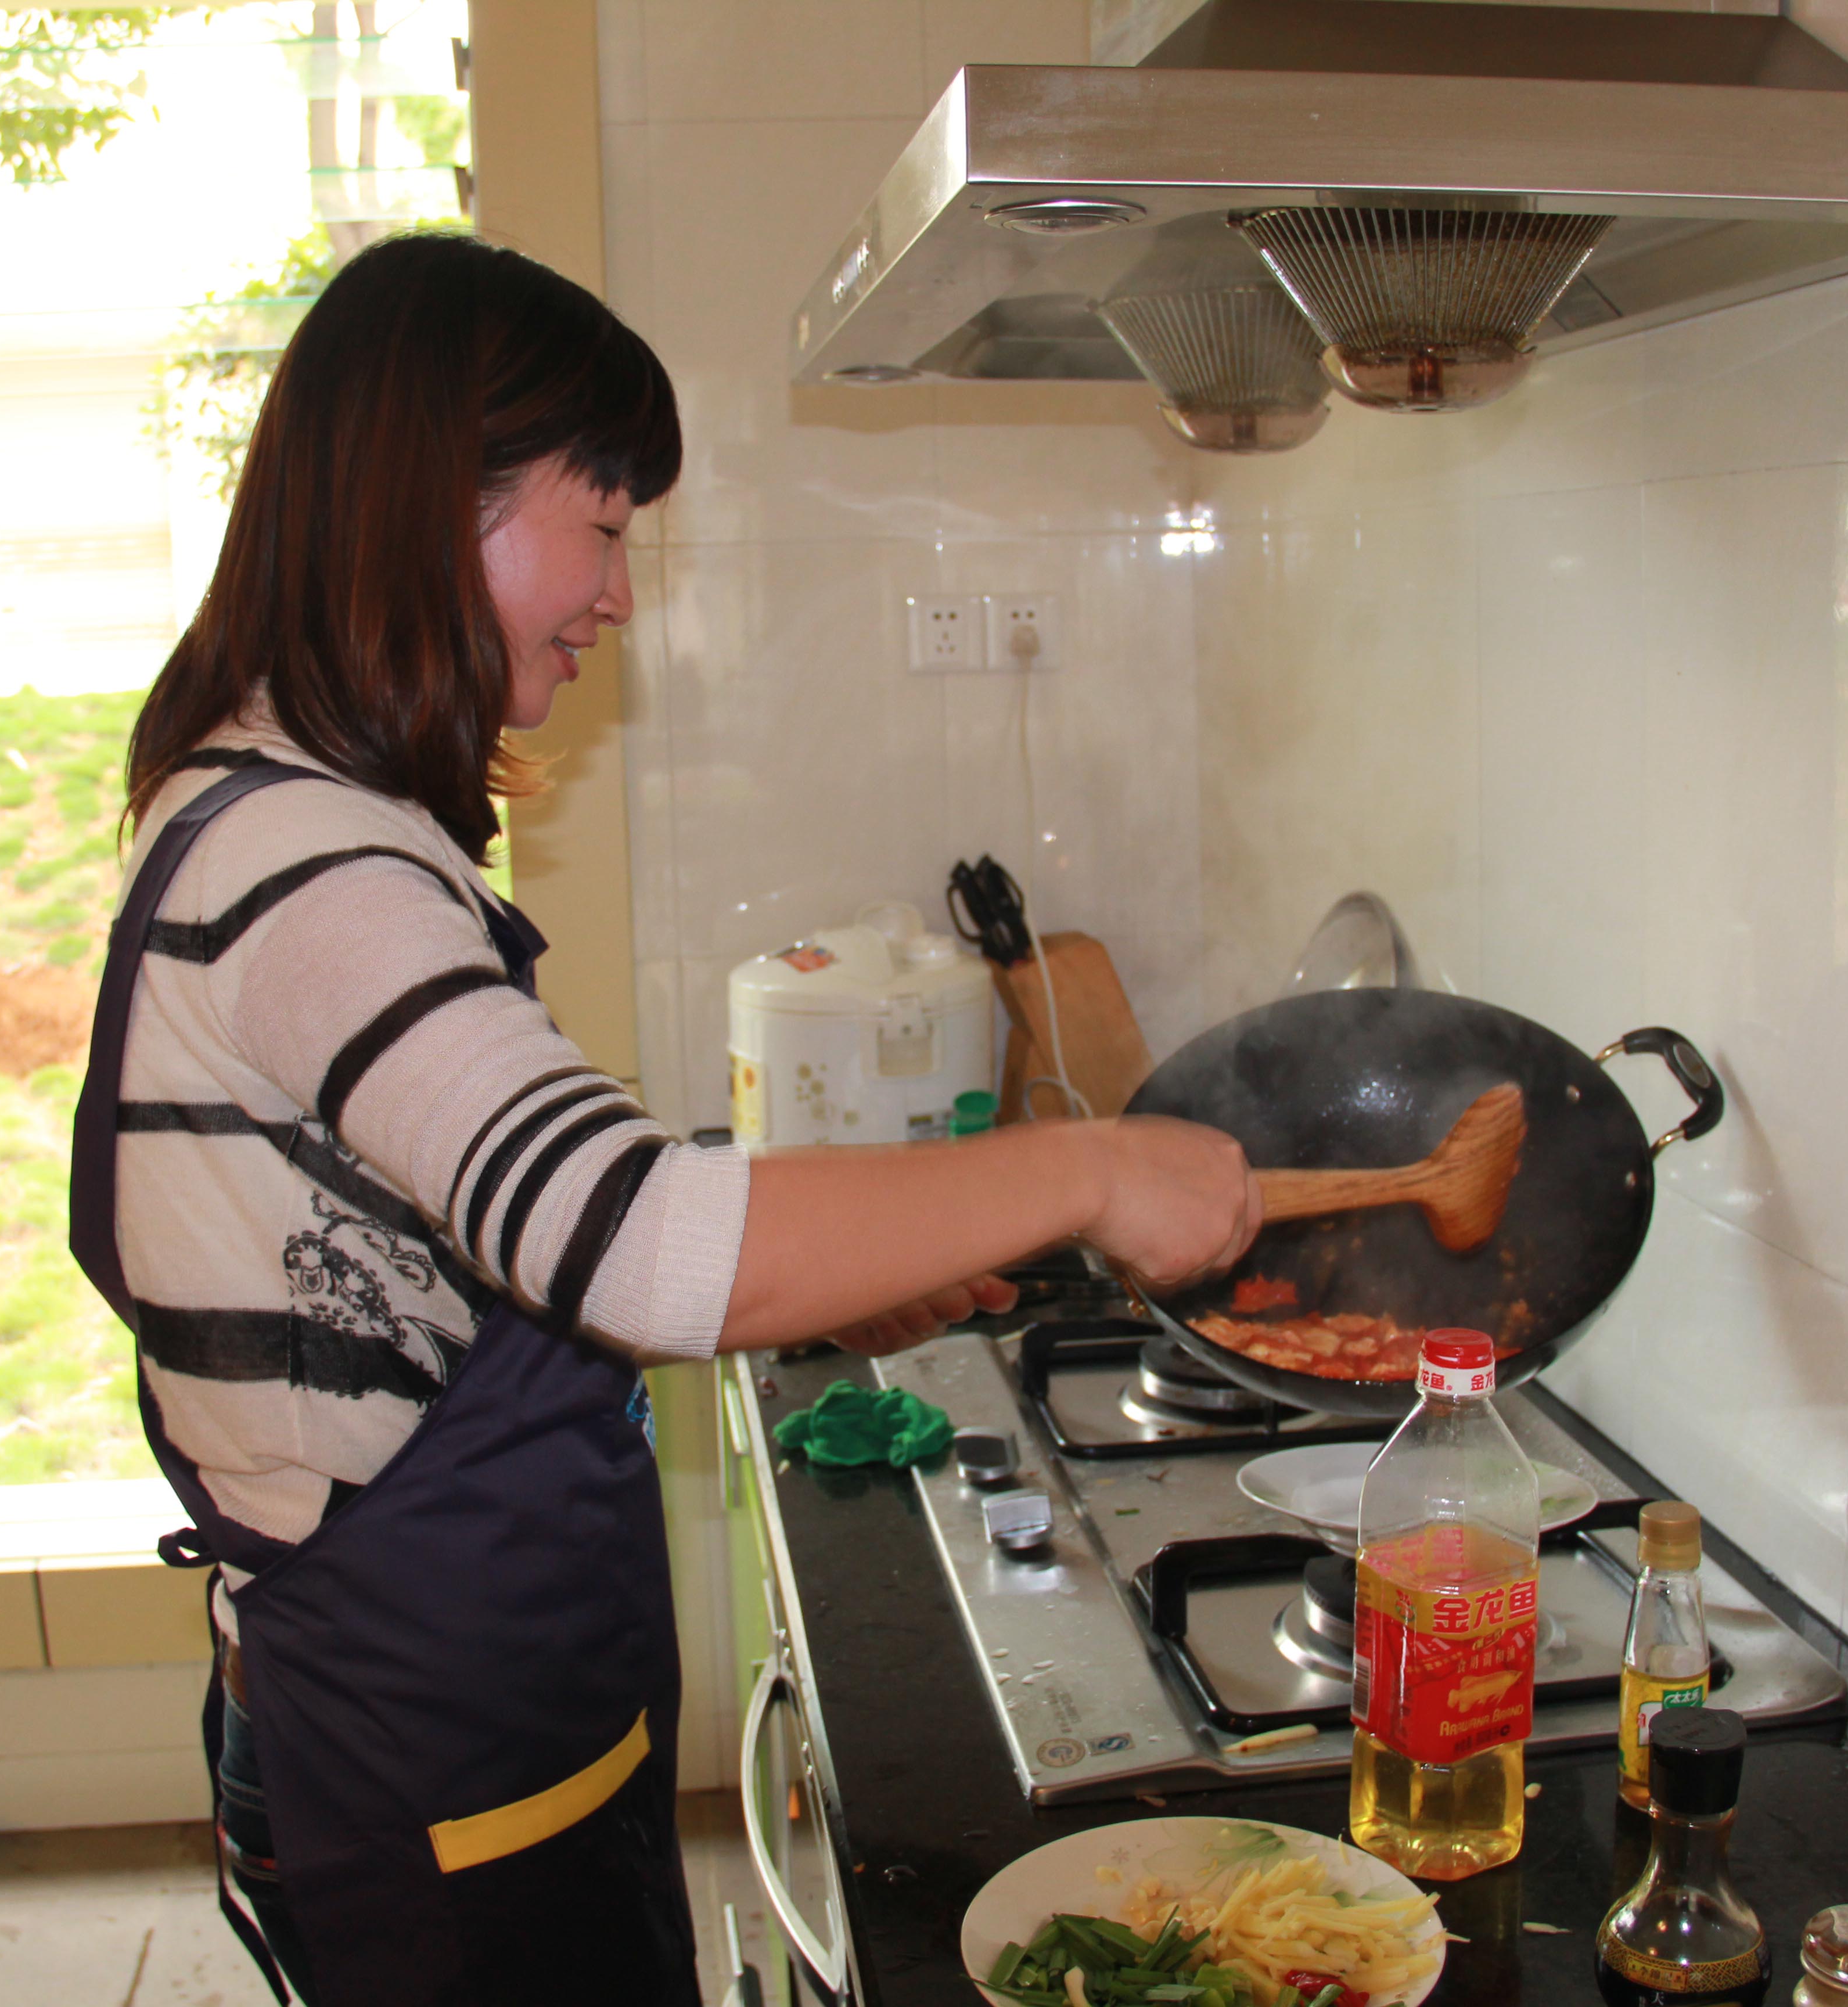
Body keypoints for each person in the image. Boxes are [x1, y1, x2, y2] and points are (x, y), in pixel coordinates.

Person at [69, 232, 1258, 2005]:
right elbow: (620, 1239)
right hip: (437, 1751)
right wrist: (1085, 1165)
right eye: (604, 524)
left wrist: (848, 1269)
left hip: (479, 1717)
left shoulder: (296, 818)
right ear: (430, 505)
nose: (619, 594)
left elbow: (483, 1216)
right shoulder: (305, 861)